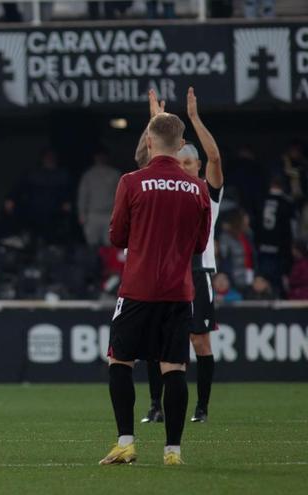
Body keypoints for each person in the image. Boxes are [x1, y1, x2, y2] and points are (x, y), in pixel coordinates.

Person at [101, 110, 211, 466]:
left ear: (149, 141)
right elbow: (199, 244)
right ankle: (173, 452)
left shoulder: (131, 182)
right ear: (180, 145)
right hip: (178, 292)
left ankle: (126, 443)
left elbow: (117, 236)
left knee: (120, 360)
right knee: (174, 368)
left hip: (137, 289)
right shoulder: (197, 188)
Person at [143, 87, 224, 426]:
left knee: (199, 341)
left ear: (198, 165)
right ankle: (155, 405)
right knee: (155, 340)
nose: (185, 167)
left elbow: (216, 160)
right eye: (181, 162)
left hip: (197, 269)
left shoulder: (207, 191)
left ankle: (202, 408)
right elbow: (153, 160)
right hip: (166, 270)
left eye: (190, 163)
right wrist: (157, 122)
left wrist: (192, 118)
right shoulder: (169, 186)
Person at [77, 147, 120, 247]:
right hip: (92, 215)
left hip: (109, 215)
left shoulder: (114, 174)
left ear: (107, 157)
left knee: (109, 245)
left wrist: (119, 215)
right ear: (95, 158)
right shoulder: (88, 175)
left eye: (103, 156)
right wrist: (82, 214)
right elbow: (83, 195)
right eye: (98, 156)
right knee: (92, 245)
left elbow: (120, 196)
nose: (100, 158)